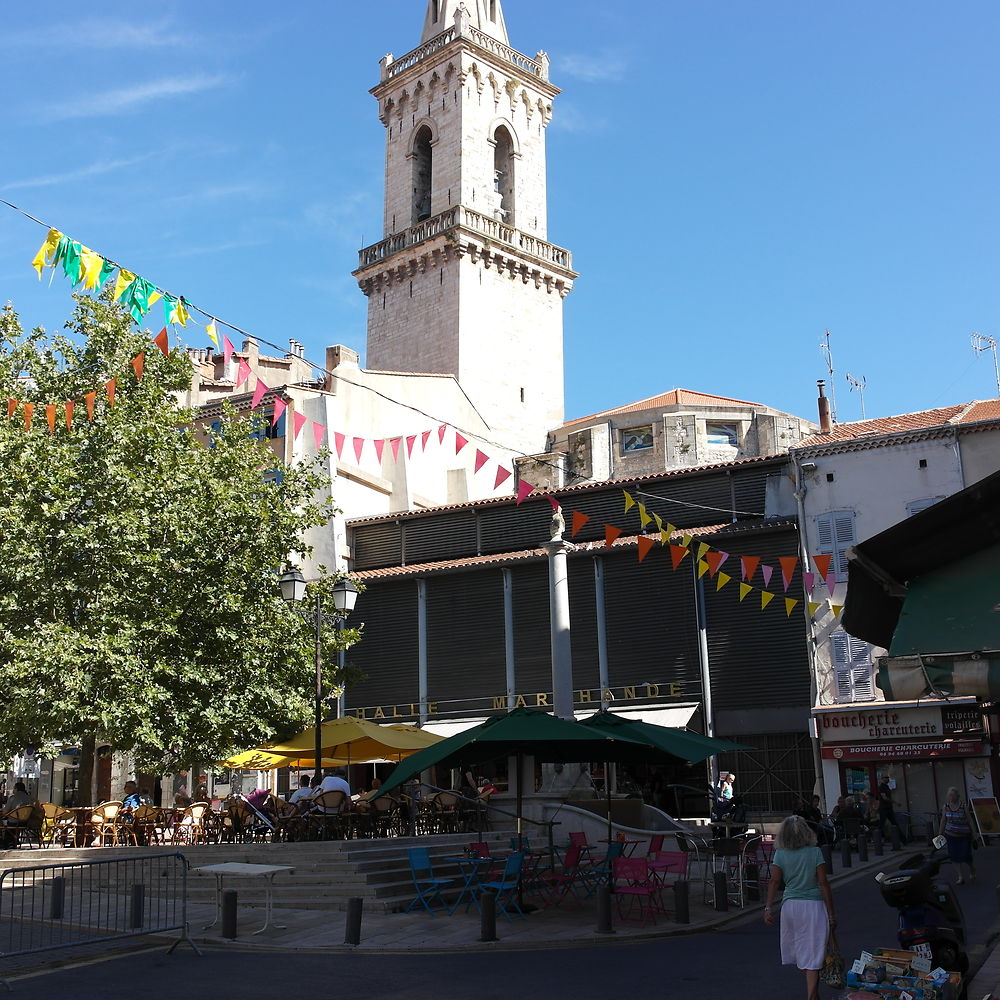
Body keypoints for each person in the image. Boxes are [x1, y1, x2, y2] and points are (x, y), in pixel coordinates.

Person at [764, 815, 836, 1000]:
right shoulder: (815, 852)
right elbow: (823, 883)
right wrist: (831, 913)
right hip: (814, 906)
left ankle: (814, 994)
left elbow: (774, 881)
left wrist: (768, 908)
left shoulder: (780, 854)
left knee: (801, 951)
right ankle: (812, 996)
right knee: (814, 951)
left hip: (790, 906)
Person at [938, 786, 976, 885]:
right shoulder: (945, 806)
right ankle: (960, 876)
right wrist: (940, 834)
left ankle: (972, 868)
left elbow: (970, 820)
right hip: (950, 835)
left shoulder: (964, 806)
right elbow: (943, 820)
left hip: (964, 836)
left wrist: (974, 834)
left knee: (965, 856)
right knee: (954, 856)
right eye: (949, 795)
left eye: (952, 795)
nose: (951, 797)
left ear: (957, 796)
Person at [878, 776, 905, 842]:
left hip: (889, 808)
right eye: (885, 778)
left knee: (894, 823)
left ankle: (904, 840)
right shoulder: (881, 787)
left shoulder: (887, 787)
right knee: (881, 824)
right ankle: (877, 839)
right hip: (883, 808)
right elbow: (884, 798)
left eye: (888, 778)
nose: (887, 779)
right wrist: (895, 802)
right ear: (882, 779)